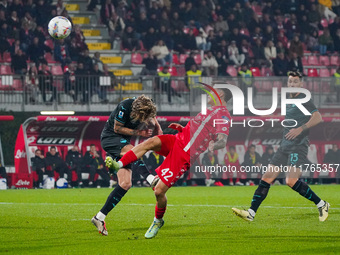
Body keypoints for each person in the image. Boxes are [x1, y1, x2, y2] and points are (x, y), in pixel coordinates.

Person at [110, 85, 232, 238]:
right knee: (150, 142)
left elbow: (223, 140)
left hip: (185, 155)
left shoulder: (223, 115)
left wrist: (214, 144)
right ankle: (119, 164)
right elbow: (198, 130)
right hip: (177, 140)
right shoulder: (208, 110)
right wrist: (183, 129)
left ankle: (158, 220)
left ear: (219, 94)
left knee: (159, 191)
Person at [232, 71, 329, 222]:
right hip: (285, 145)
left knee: (290, 181)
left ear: (301, 85)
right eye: (290, 82)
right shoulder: (287, 99)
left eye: (295, 82)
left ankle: (322, 204)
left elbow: (318, 117)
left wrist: (300, 129)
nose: (292, 85)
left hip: (299, 145)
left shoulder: (304, 99)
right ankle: (251, 213)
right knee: (266, 178)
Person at [91, 95, 163, 235]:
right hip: (110, 138)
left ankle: (99, 217)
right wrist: (139, 133)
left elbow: (152, 115)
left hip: (123, 142)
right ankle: (150, 179)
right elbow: (117, 128)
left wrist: (158, 127)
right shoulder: (125, 106)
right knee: (134, 152)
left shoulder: (145, 105)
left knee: (125, 184)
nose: (144, 119)